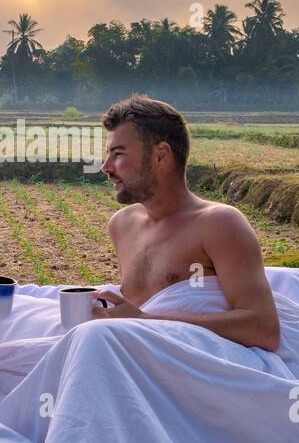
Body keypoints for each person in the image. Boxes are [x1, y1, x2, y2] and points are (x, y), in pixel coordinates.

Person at [94, 94, 282, 351]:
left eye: (118, 154)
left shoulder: (219, 224)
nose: (105, 166)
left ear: (161, 155)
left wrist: (145, 322)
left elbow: (264, 329)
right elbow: (139, 307)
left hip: (192, 358)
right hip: (138, 354)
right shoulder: (122, 225)